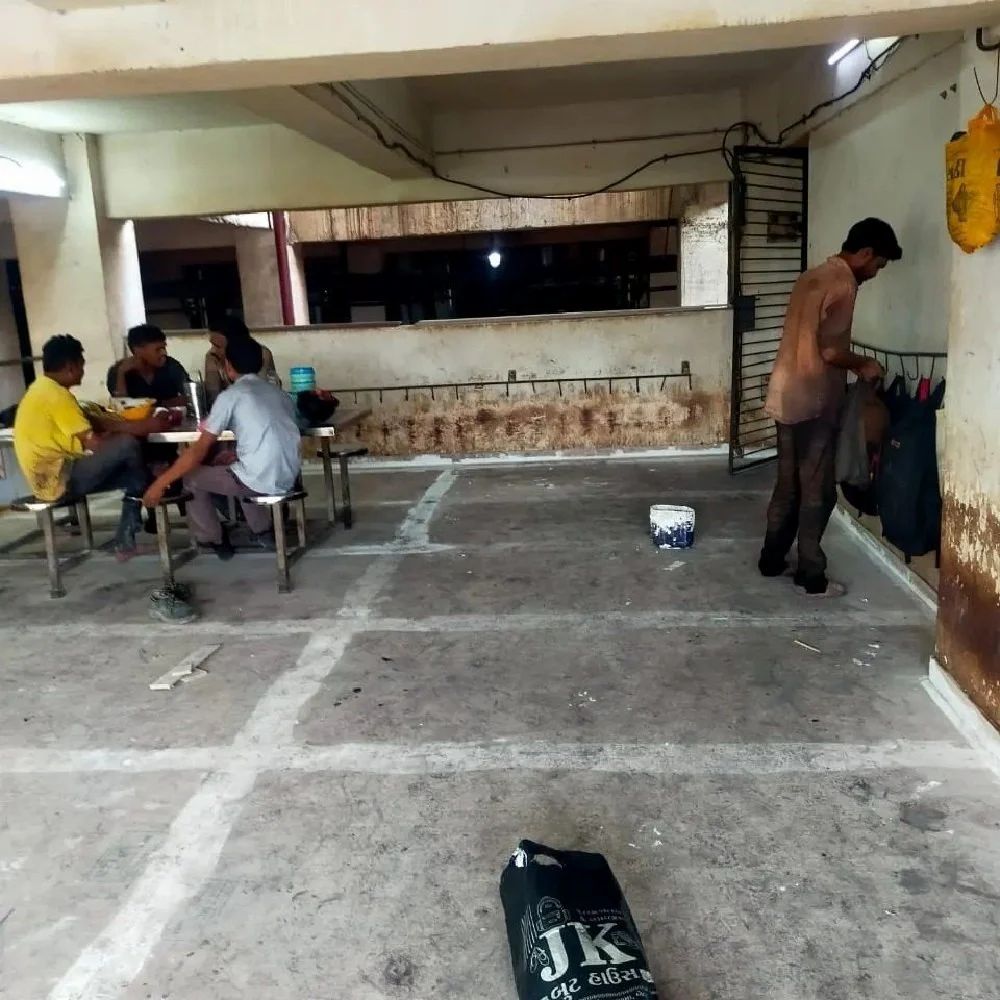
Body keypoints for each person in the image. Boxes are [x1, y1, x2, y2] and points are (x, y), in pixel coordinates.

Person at [758, 217, 901, 598]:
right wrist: (864, 364)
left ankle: (771, 560)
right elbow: (830, 351)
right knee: (817, 491)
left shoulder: (812, 276)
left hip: (785, 393)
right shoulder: (843, 283)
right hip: (814, 400)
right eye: (878, 265)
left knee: (787, 484)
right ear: (865, 253)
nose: (875, 273)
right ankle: (811, 576)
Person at [143, 336, 301, 559]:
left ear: (228, 366)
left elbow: (197, 451)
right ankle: (262, 530)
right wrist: (235, 455)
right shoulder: (279, 393)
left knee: (191, 477)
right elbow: (274, 435)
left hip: (257, 480)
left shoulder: (231, 396)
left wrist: (160, 483)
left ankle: (212, 538)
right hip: (289, 476)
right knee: (239, 470)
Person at [14, 334, 168, 559]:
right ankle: (125, 540)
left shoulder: (41, 389)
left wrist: (126, 428)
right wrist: (139, 427)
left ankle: (126, 542)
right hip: (59, 479)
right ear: (70, 367)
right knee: (128, 445)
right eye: (81, 366)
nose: (83, 371)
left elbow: (92, 427)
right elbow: (95, 444)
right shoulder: (57, 396)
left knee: (139, 475)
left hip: (51, 478)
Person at [106, 324, 189, 405]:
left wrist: (157, 404)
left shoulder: (171, 365)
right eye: (158, 349)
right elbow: (119, 405)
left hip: (170, 414)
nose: (164, 353)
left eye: (164, 348)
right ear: (138, 351)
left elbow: (190, 396)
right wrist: (121, 374)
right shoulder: (118, 370)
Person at [204, 316, 279, 405]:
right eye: (212, 344)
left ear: (236, 346)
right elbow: (213, 396)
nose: (213, 350)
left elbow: (266, 390)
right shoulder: (212, 357)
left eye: (218, 346)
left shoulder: (261, 354)